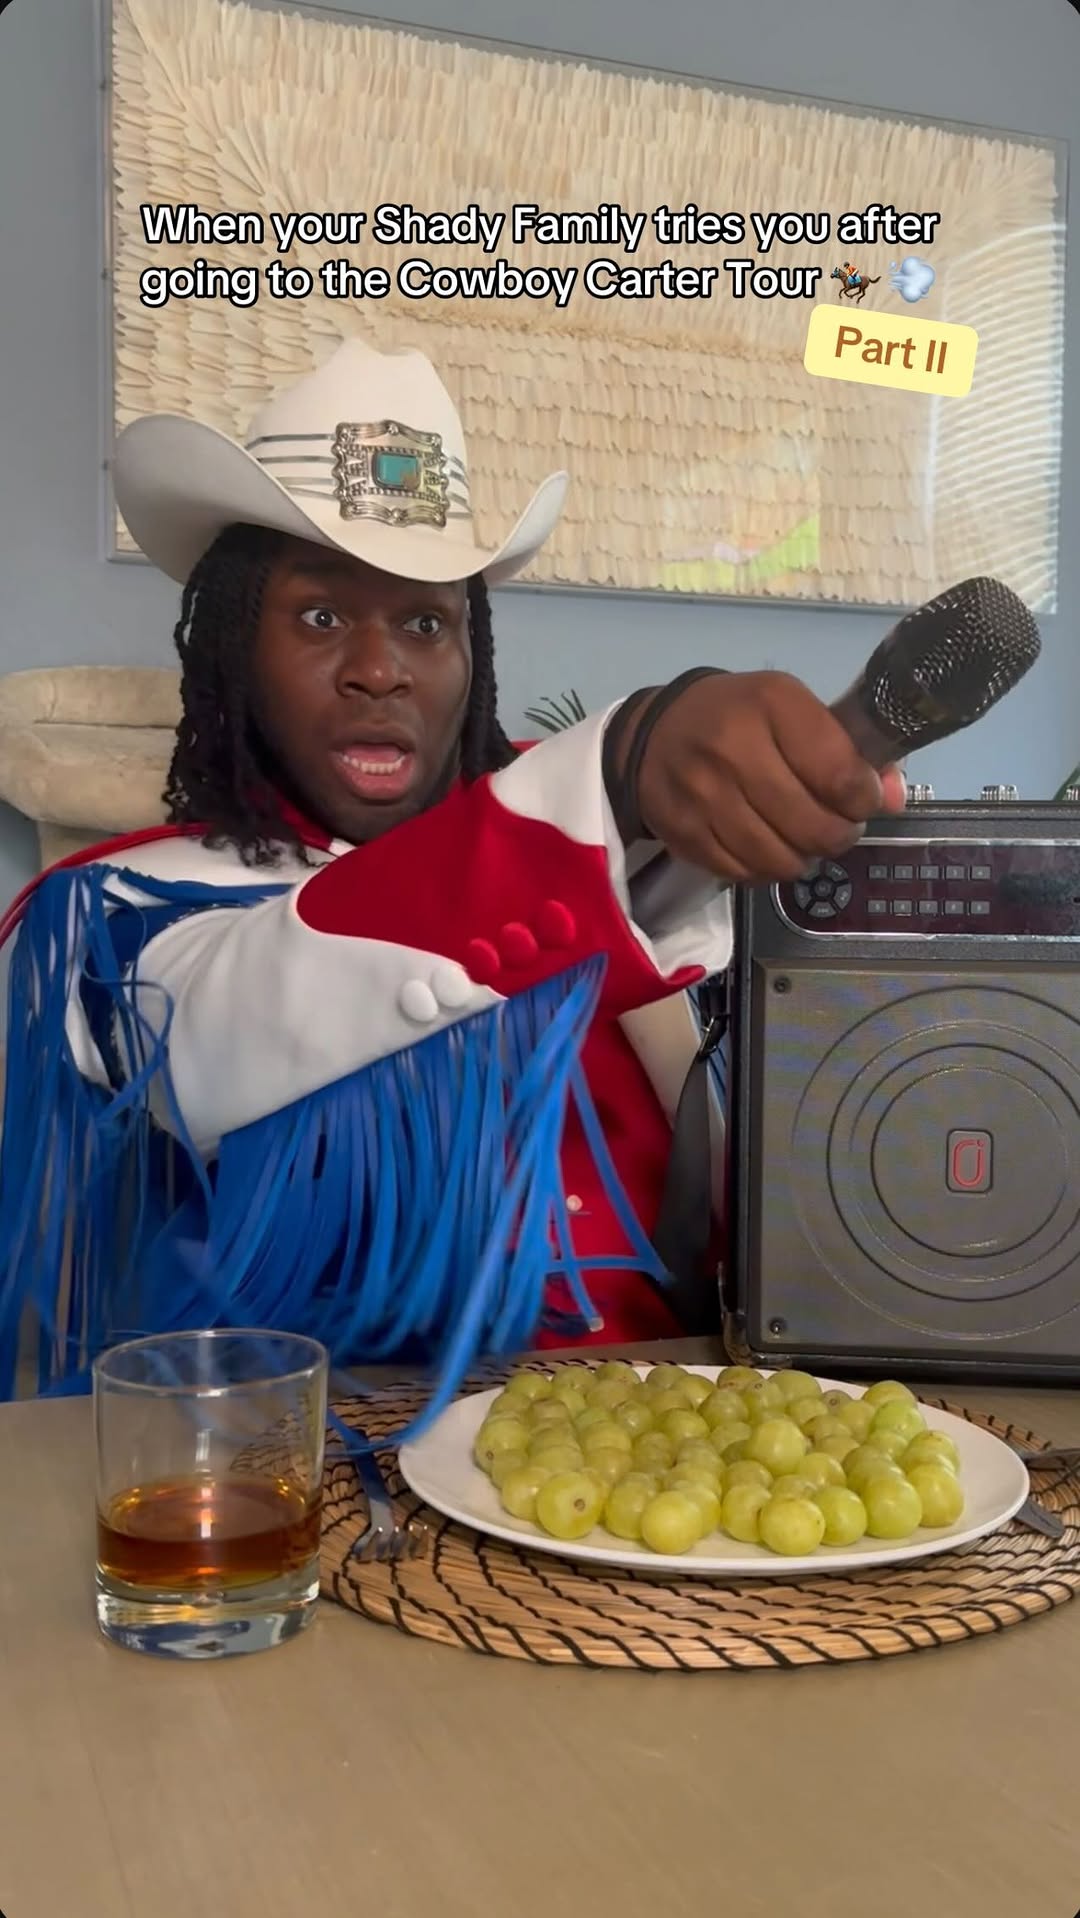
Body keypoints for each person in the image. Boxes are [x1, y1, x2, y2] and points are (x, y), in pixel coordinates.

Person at [0, 338, 904, 1406]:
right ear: (234, 652)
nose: (379, 669)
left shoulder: (612, 878)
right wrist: (625, 758)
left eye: (426, 622)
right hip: (338, 1460)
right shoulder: (110, 913)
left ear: (472, 658)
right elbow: (236, 1020)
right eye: (321, 616)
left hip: (687, 1428)